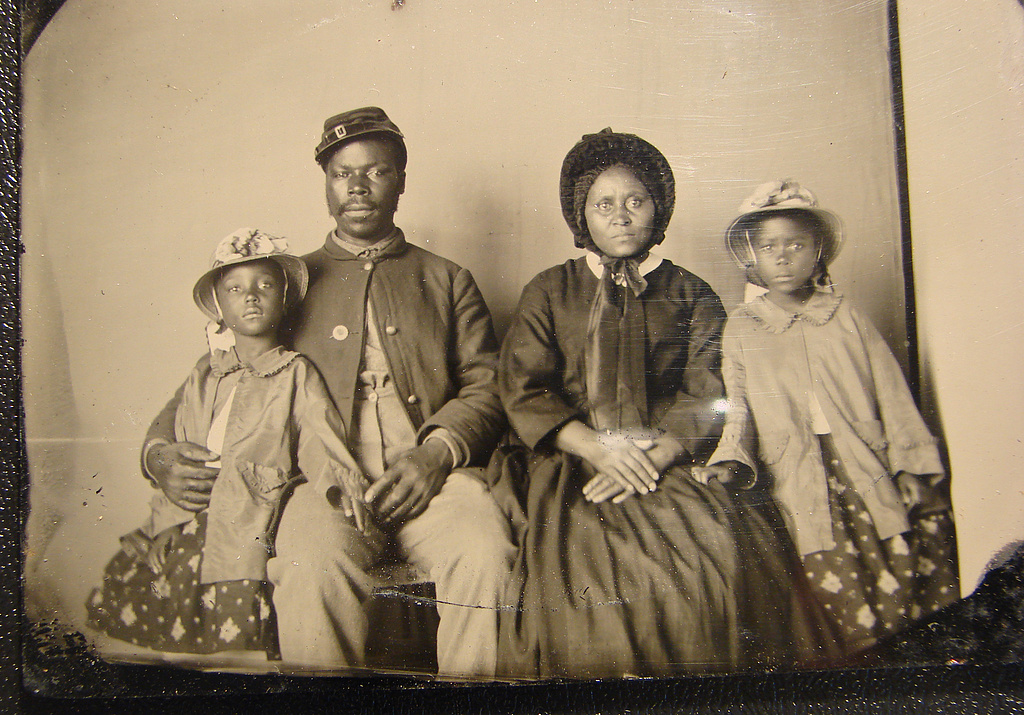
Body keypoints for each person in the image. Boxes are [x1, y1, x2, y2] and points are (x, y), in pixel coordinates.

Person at [140, 108, 515, 677]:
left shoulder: (446, 278)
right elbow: (218, 374)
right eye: (342, 173)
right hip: (318, 483)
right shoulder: (287, 282)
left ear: (402, 181)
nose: (358, 188)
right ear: (326, 182)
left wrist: (434, 454)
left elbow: (487, 387)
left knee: (486, 550)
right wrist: (160, 455)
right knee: (309, 560)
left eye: (377, 172)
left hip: (432, 480)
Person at [487, 130, 837, 678]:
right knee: (580, 581)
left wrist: (658, 454)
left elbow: (710, 389)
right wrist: (596, 448)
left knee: (714, 555)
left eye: (636, 201)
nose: (621, 216)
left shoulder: (691, 293)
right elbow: (524, 388)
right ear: (582, 216)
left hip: (667, 459)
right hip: (573, 459)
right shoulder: (550, 290)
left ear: (659, 209)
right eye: (604, 205)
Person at [700, 179, 959, 653]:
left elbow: (891, 393)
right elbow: (737, 404)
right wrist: (731, 455)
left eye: (796, 245)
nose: (782, 257)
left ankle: (909, 659)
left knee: (896, 546)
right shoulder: (743, 327)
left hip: (861, 460)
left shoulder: (845, 315)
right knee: (824, 566)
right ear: (751, 256)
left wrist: (909, 462)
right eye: (768, 246)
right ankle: (860, 662)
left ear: (817, 251)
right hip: (796, 468)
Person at [87, 229, 371, 656]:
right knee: (171, 630)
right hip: (194, 517)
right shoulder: (206, 372)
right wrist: (165, 522)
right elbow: (180, 447)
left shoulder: (295, 372)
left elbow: (318, 436)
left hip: (248, 517)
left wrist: (339, 484)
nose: (251, 297)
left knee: (238, 648)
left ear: (286, 298)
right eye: (236, 289)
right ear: (219, 307)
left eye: (265, 286)